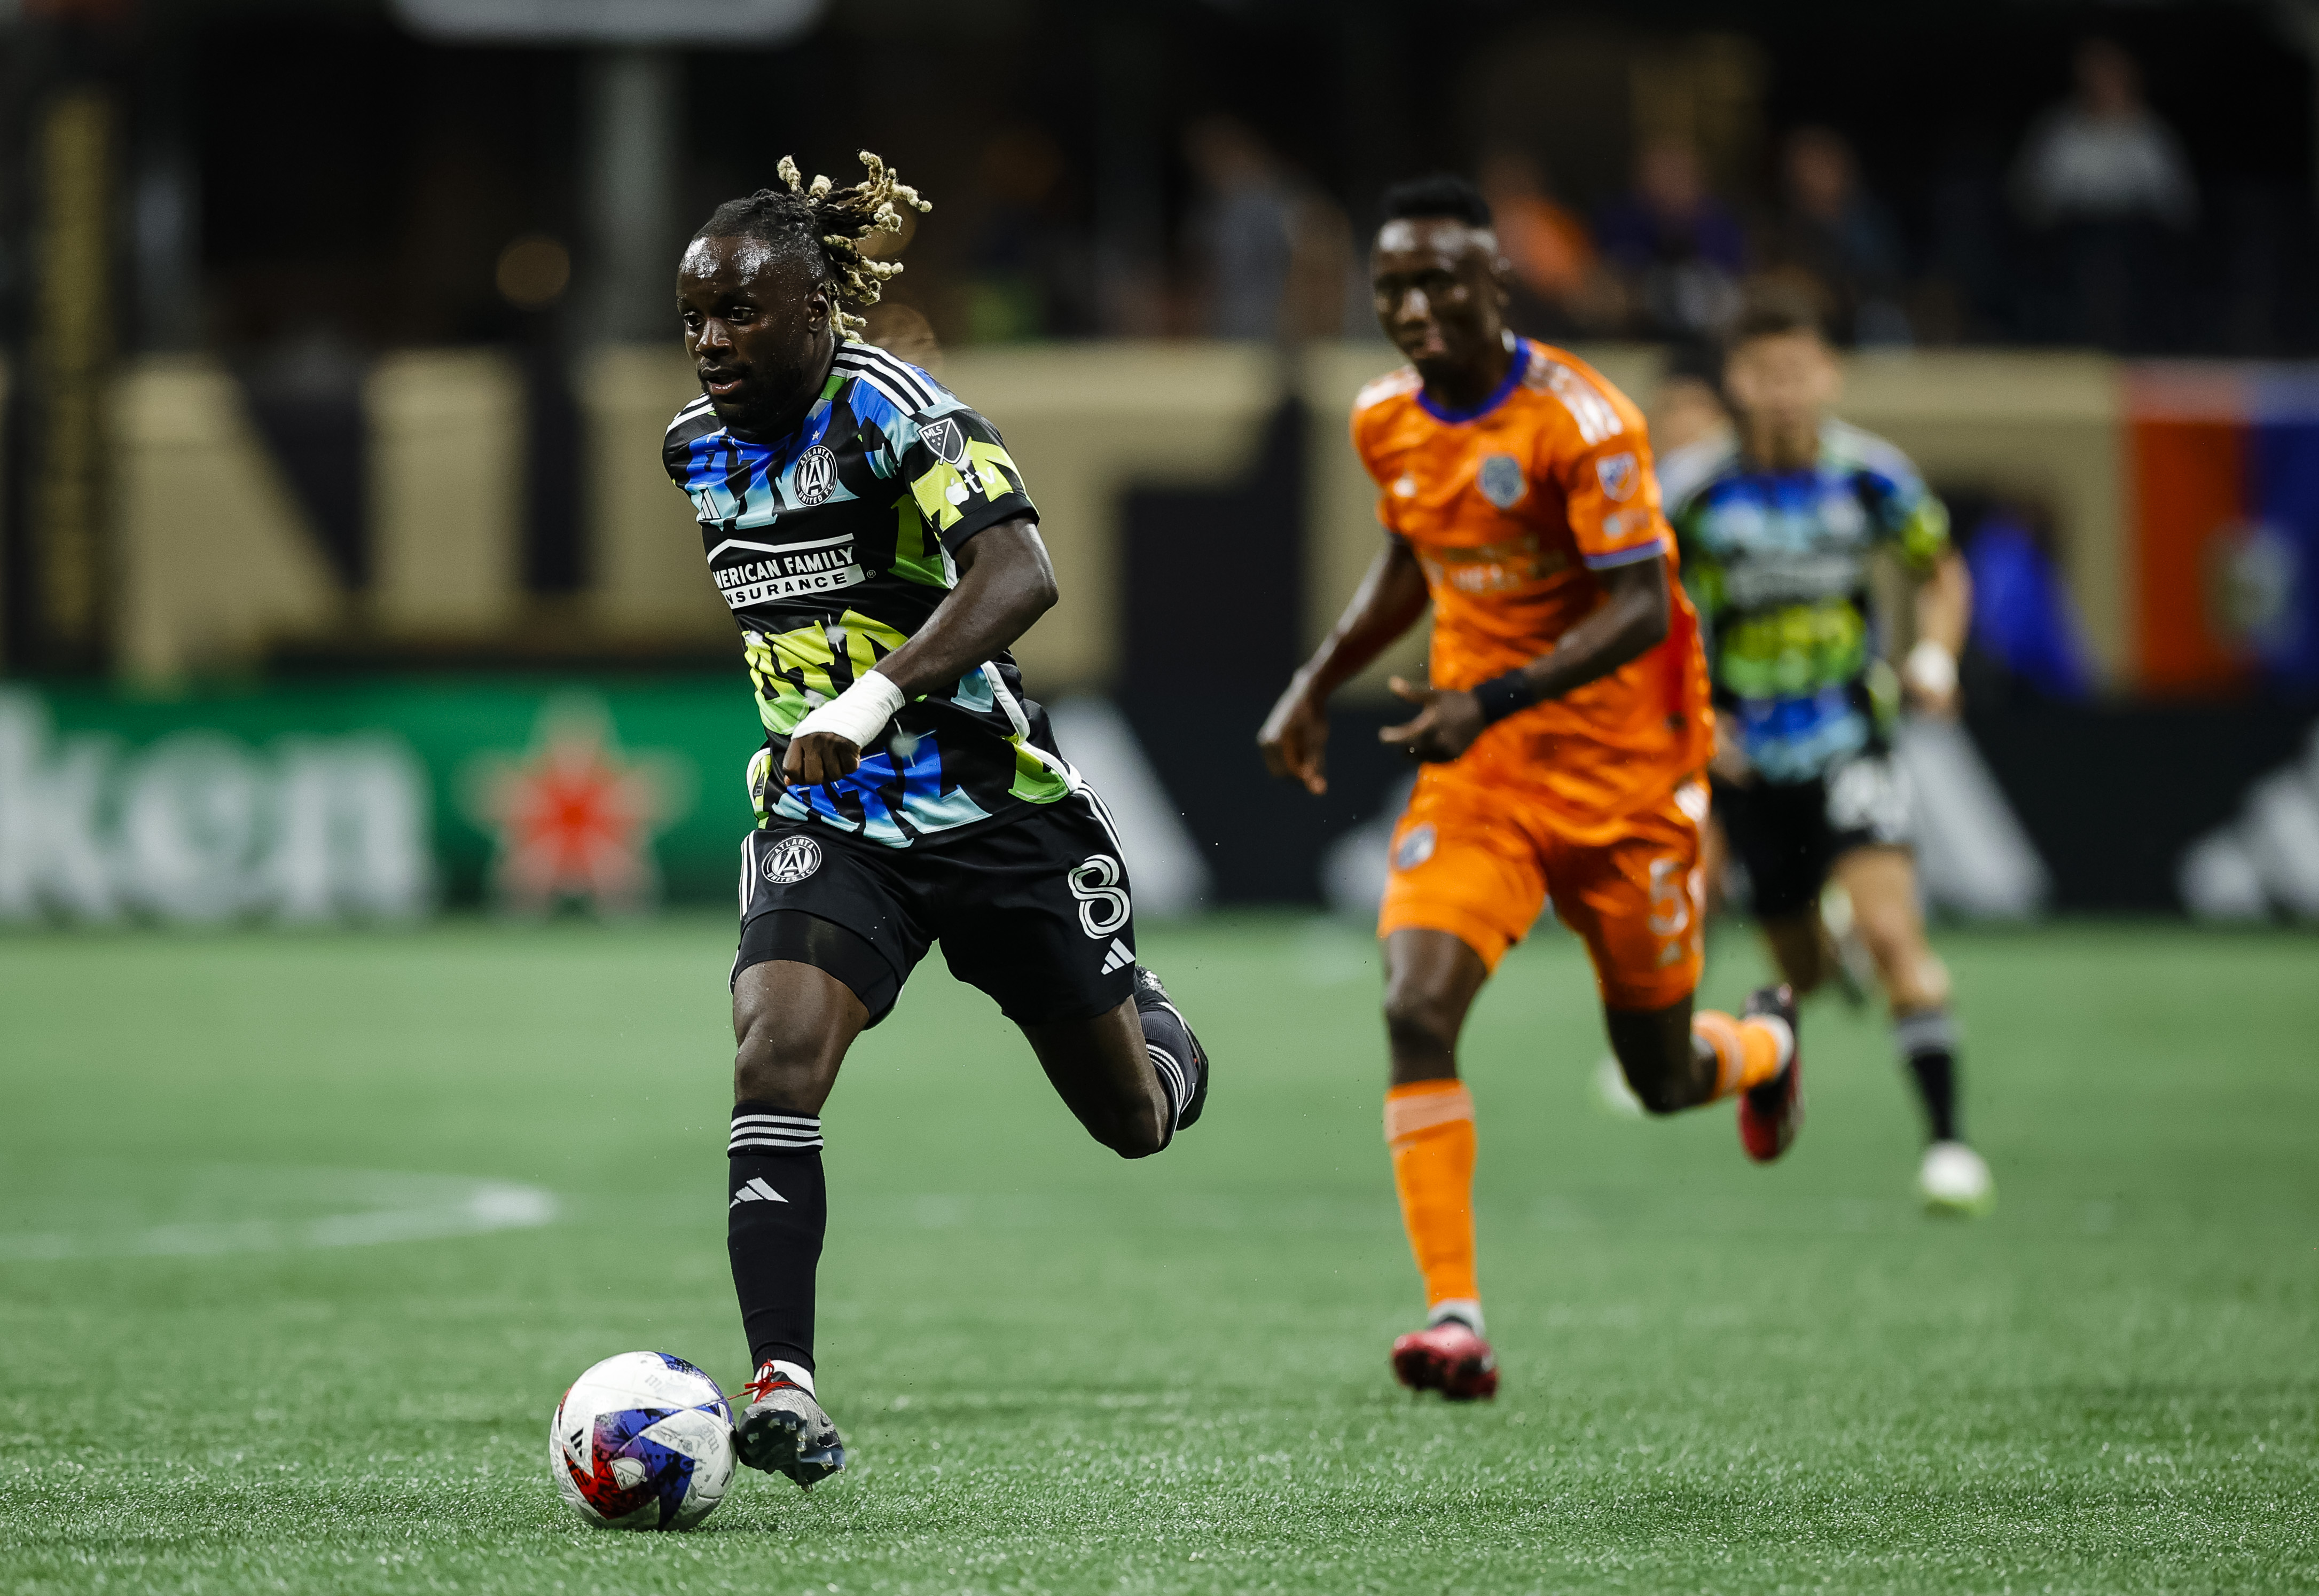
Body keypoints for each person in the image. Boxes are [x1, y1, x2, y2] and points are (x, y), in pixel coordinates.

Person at [667, 153, 1213, 1486]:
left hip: (992, 810)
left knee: (1130, 1122)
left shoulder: (900, 412)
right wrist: (798, 733)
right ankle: (782, 1386)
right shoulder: (692, 449)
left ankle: (1155, 1022)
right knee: (772, 1057)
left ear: (815, 310)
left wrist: (869, 698)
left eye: (739, 311)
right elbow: (786, 613)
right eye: (693, 315)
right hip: (838, 825)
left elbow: (1020, 572)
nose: (710, 341)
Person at [1259, 174, 1802, 1403]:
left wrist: (1490, 694)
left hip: (1626, 788)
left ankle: (1764, 1046)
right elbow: (1414, 553)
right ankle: (1454, 1315)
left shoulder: (1587, 422)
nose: (1413, 306)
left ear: (1496, 282)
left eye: (1440, 279)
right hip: (1485, 781)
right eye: (1392, 285)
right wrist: (1316, 677)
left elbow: (1639, 604)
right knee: (1413, 1006)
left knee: (1663, 1078)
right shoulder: (1386, 417)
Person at [1657, 288, 1994, 1217]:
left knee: (1896, 936)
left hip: (1851, 738)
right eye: (1765, 373)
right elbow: (1640, 614)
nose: (1783, 391)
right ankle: (1818, 972)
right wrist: (1688, 716)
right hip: (1742, 762)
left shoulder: (1870, 478)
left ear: (1828, 375)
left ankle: (1949, 1145)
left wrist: (1934, 652)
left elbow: (1940, 568)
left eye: (1799, 371)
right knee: (1800, 967)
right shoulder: (1689, 490)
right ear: (1735, 381)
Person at [1764, 127, 1913, 347]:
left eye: (1819, 165)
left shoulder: (1869, 223)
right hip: (1814, 325)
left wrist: (1831, 292)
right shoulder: (1785, 228)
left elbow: (1885, 282)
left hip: (1868, 321)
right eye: (1801, 168)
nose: (1808, 176)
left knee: (1881, 321)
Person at [1595, 136, 1748, 341]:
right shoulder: (1621, 221)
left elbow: (1738, 287)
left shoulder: (1721, 225)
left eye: (1678, 171)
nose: (1669, 180)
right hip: (1636, 340)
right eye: (1659, 171)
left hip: (1713, 339)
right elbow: (1610, 285)